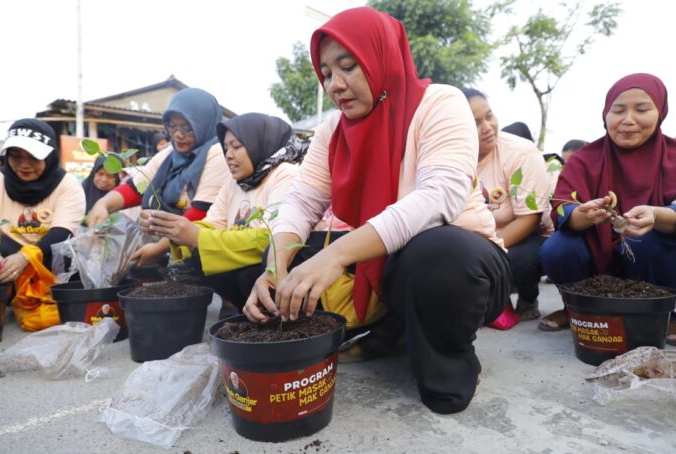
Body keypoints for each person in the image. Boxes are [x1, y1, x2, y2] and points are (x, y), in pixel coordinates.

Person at [243, 7, 511, 414]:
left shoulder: (438, 103)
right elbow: (302, 201)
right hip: (385, 262)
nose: (335, 84)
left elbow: (439, 196)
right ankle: (393, 328)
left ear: (380, 57)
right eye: (326, 73)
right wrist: (274, 268)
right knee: (263, 257)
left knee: (436, 253)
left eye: (348, 67)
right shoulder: (333, 130)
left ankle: (450, 360)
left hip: (463, 263)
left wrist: (335, 256)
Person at [539, 73, 676, 336]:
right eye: (619, 110)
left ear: (660, 113)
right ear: (606, 115)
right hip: (596, 250)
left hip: (654, 256)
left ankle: (667, 310)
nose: (628, 120)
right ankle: (578, 309)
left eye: (642, 109)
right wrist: (582, 214)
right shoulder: (584, 159)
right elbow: (561, 207)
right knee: (556, 249)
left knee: (641, 241)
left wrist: (657, 216)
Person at [138, 112, 307, 314]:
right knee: (198, 259)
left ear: (259, 143)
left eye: (236, 147)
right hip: (247, 266)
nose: (228, 154)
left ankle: (278, 317)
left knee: (251, 271)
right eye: (226, 147)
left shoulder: (286, 174)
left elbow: (272, 238)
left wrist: (197, 236)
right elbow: (213, 222)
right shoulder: (235, 181)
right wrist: (171, 227)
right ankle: (246, 311)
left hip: (285, 269)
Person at [86, 88, 229, 267]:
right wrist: (103, 204)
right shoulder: (171, 152)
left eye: (188, 128)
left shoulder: (218, 153)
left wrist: (158, 248)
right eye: (172, 126)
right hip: (170, 242)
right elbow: (136, 187)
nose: (178, 135)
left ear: (204, 125)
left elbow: (200, 213)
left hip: (201, 251)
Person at [463, 88, 553, 321]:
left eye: (490, 116)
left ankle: (527, 296)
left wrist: (487, 250)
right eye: (475, 123)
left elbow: (529, 219)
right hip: (475, 238)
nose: (488, 127)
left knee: (517, 259)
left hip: (529, 234)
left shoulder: (521, 153)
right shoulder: (453, 158)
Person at [0, 119, 85, 331]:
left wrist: (26, 256)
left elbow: (62, 233)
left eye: (33, 157)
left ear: (50, 156)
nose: (24, 164)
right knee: (4, 246)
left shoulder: (68, 185)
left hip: (51, 263)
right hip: (7, 264)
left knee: (67, 256)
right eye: (16, 156)